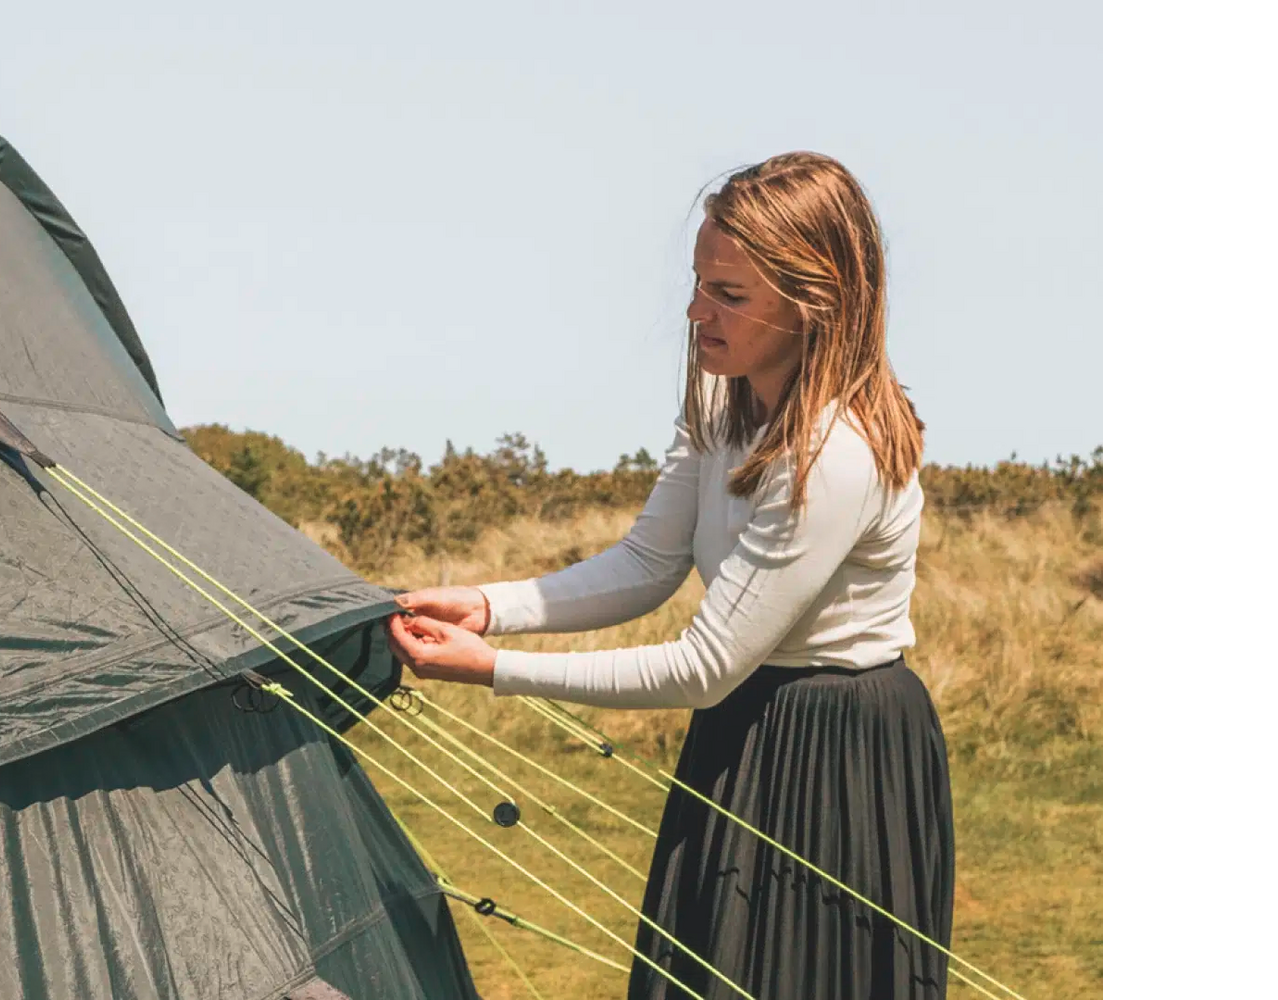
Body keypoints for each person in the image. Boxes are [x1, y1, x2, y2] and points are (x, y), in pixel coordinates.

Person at [385, 151, 954, 1000]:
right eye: (699, 283)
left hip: (837, 756)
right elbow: (650, 563)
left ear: (814, 300)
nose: (696, 313)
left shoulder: (838, 451)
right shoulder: (725, 403)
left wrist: (492, 671)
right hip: (742, 732)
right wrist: (486, 608)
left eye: (729, 296)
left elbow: (702, 667)